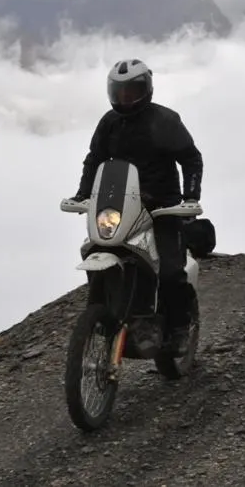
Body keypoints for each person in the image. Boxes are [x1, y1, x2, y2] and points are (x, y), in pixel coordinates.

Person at [68, 58, 203, 356]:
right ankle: (106, 313)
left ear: (147, 89)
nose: (125, 98)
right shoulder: (110, 123)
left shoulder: (165, 120)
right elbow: (94, 159)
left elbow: (191, 158)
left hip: (161, 209)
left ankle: (179, 329)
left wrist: (190, 197)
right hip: (120, 205)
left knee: (170, 271)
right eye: (120, 92)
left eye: (132, 92)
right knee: (94, 247)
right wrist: (82, 194)